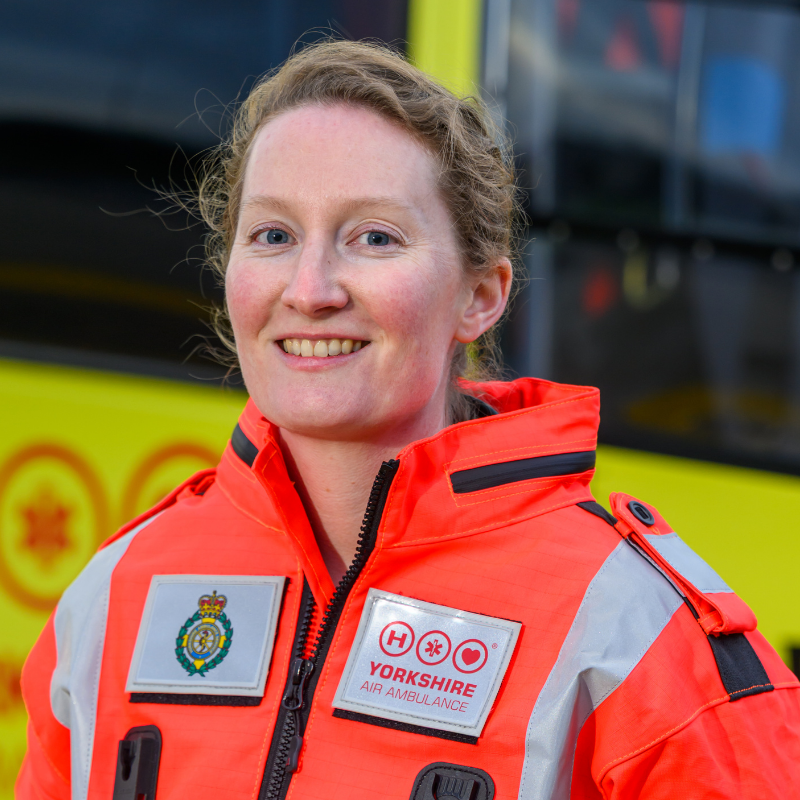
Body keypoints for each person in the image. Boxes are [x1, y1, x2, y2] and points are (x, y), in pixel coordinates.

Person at [17, 40, 800, 800]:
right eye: (273, 236)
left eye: (375, 238)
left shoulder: (633, 632)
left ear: (479, 297)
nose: (311, 289)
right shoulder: (116, 593)